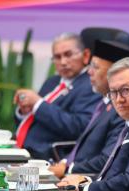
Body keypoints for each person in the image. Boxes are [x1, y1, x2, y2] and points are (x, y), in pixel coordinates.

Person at [58, 57, 129, 191]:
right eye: (113, 92)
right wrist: (86, 180)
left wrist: (84, 188)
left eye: (125, 90)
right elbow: (114, 173)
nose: (119, 100)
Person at [48, 40, 129, 178]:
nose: (89, 72)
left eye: (95, 67)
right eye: (90, 66)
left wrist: (68, 169)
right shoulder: (104, 102)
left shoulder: (121, 110)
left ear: (115, 74)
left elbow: (107, 160)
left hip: (82, 180)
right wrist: (63, 163)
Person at [14, 32, 101, 160]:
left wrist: (38, 104)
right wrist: (24, 111)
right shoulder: (52, 81)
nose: (63, 62)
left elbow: (79, 127)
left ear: (86, 55)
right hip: (22, 149)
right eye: (57, 57)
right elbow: (36, 115)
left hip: (49, 156)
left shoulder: (91, 84)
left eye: (68, 55)